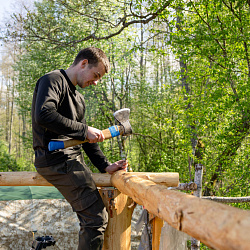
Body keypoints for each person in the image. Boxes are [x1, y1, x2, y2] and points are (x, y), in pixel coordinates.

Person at [31, 47, 128, 250]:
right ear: (83, 63)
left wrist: (105, 166)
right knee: (96, 218)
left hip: (71, 160)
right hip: (55, 160)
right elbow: (44, 114)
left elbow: (86, 140)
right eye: (96, 75)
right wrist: (84, 130)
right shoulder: (52, 80)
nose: (96, 81)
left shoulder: (78, 99)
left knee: (95, 217)